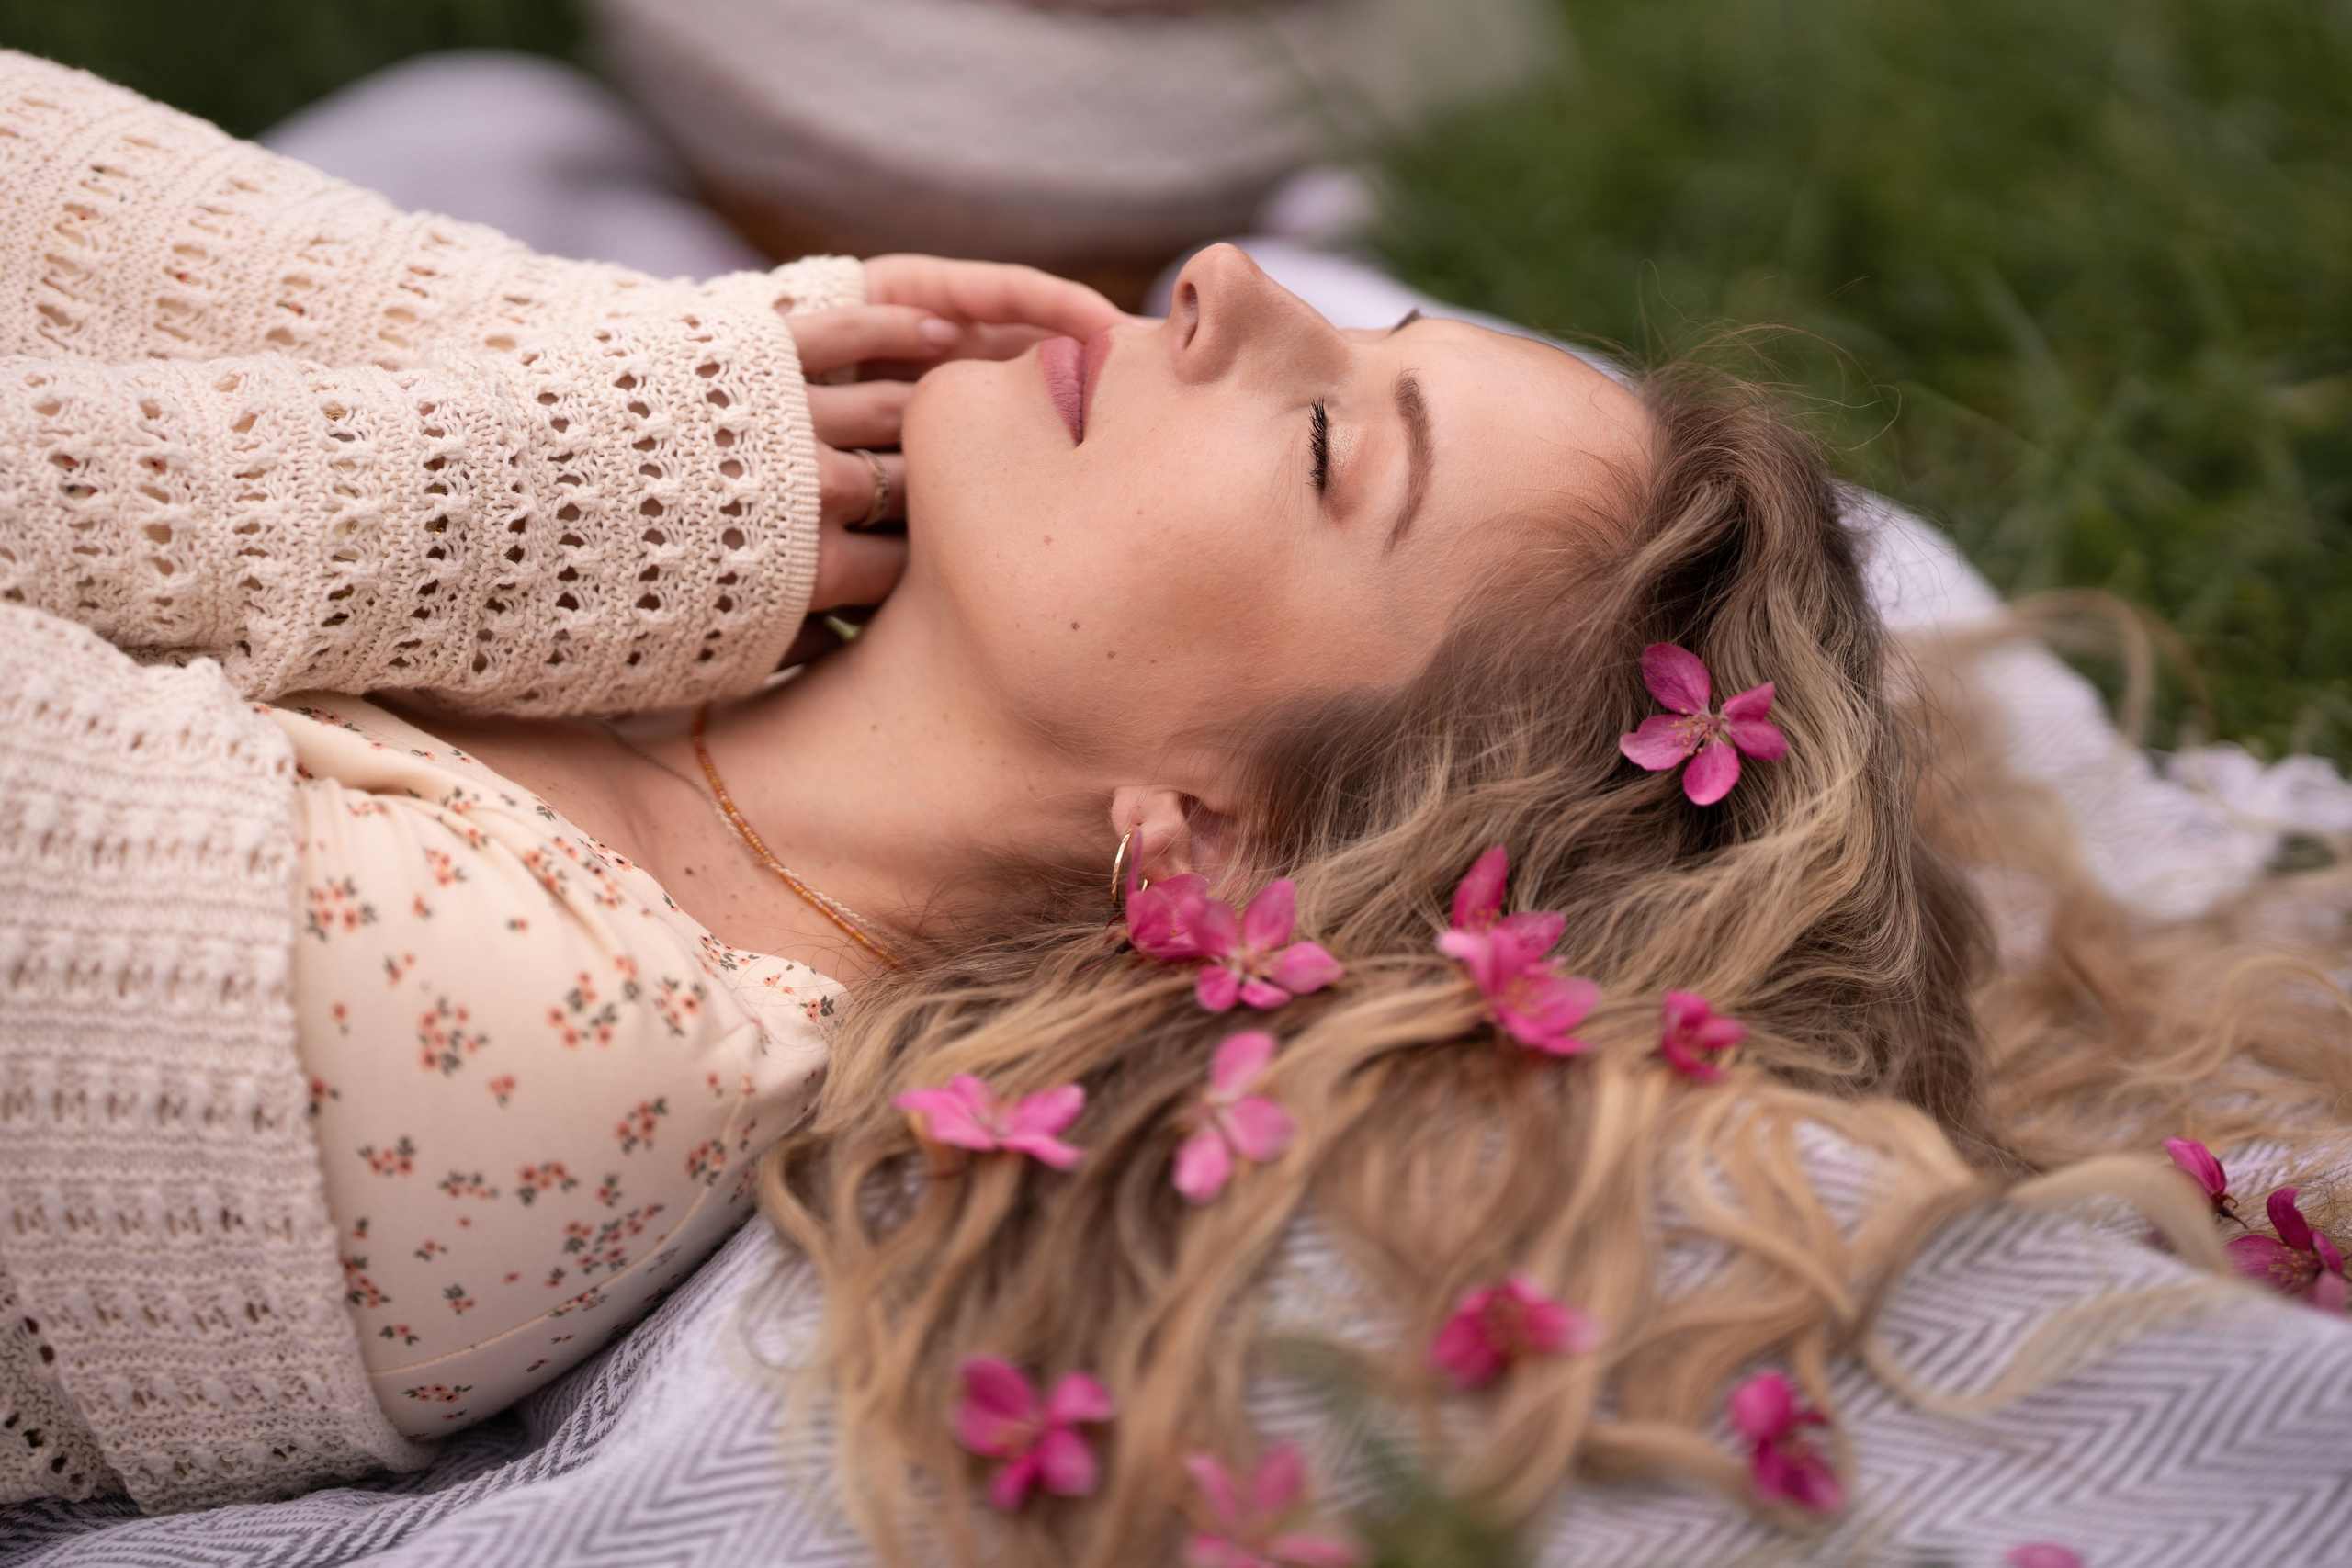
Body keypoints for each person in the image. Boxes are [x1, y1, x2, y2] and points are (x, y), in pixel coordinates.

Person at [3, 44, 2346, 1562]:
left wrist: (479, 466)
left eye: (1327, 438)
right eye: (1372, 333)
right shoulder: (689, 512)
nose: (1232, 279)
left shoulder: (527, 1056)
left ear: (1213, 849)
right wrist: (522, 372)